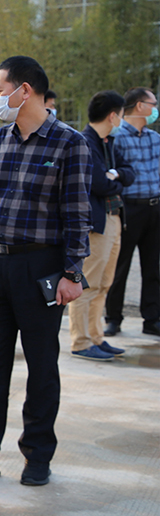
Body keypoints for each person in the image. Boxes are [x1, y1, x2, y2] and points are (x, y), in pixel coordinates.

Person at [0, 56, 91, 488]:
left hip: (40, 267)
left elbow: (77, 214)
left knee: (41, 366)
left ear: (24, 90)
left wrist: (72, 272)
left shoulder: (69, 143)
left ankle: (37, 456)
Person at [70, 91, 135, 360]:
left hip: (114, 217)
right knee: (88, 284)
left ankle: (96, 338)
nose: (122, 119)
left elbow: (129, 172)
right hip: (97, 222)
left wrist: (115, 175)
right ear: (113, 115)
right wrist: (115, 182)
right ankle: (81, 342)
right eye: (122, 114)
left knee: (104, 283)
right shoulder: (85, 142)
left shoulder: (108, 142)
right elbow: (98, 184)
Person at [105, 88, 160, 337]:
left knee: (153, 266)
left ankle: (152, 318)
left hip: (154, 207)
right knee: (120, 265)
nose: (155, 109)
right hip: (129, 208)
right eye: (153, 104)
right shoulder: (116, 137)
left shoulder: (155, 138)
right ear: (140, 106)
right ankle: (113, 318)